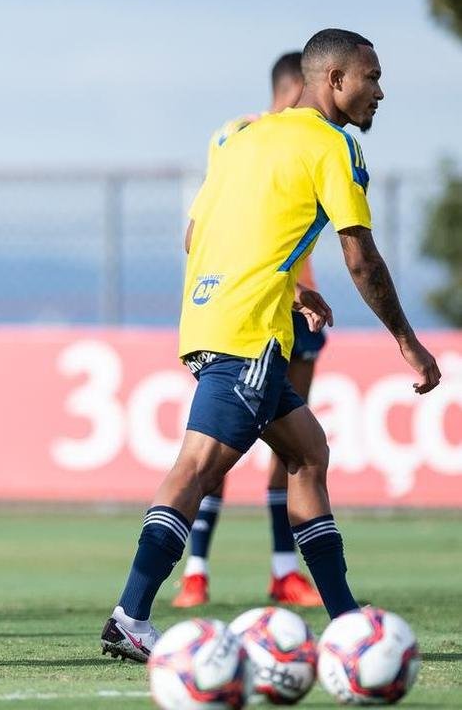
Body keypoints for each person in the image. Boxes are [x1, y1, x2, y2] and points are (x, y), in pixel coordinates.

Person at [100, 28, 440, 662]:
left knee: (308, 453)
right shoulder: (333, 146)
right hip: (251, 333)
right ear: (335, 80)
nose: (381, 90)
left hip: (210, 318)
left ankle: (342, 618)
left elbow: (197, 233)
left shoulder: (244, 138)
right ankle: (131, 612)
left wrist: (287, 290)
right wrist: (407, 341)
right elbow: (359, 255)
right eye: (372, 77)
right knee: (197, 467)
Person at [173, 52, 321, 608]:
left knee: (294, 445)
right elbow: (203, 230)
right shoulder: (239, 135)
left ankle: (285, 571)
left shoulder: (313, 141)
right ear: (297, 90)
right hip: (245, 308)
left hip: (295, 306)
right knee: (220, 444)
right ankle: (196, 569)